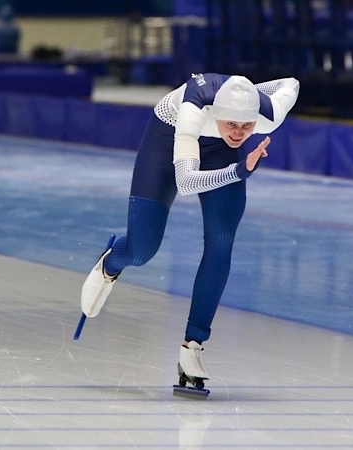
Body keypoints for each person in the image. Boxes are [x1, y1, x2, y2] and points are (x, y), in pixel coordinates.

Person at [80, 73, 300, 390]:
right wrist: (240, 170)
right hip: (168, 136)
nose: (239, 133)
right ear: (216, 112)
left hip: (220, 153)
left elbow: (291, 83)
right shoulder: (193, 108)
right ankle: (112, 262)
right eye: (232, 124)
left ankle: (193, 345)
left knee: (221, 242)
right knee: (142, 250)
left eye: (246, 126)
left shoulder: (267, 114)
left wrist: (250, 93)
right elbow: (186, 183)